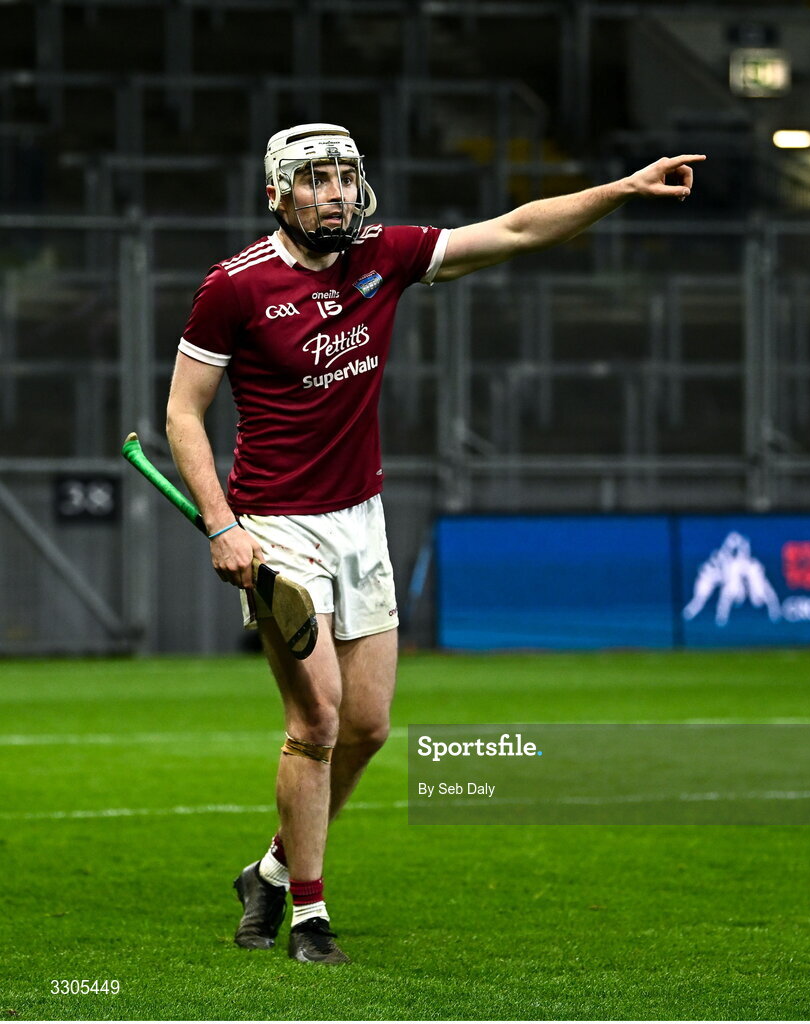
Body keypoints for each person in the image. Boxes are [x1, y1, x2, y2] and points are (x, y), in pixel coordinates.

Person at [166, 122, 704, 964]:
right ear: (278, 193)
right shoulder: (234, 288)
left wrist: (619, 191)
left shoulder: (386, 256)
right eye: (314, 179)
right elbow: (182, 414)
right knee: (316, 718)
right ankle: (306, 916)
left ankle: (269, 870)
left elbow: (517, 229)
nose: (335, 191)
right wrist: (223, 524)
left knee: (370, 727)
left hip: (360, 517)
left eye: (344, 175)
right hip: (275, 524)